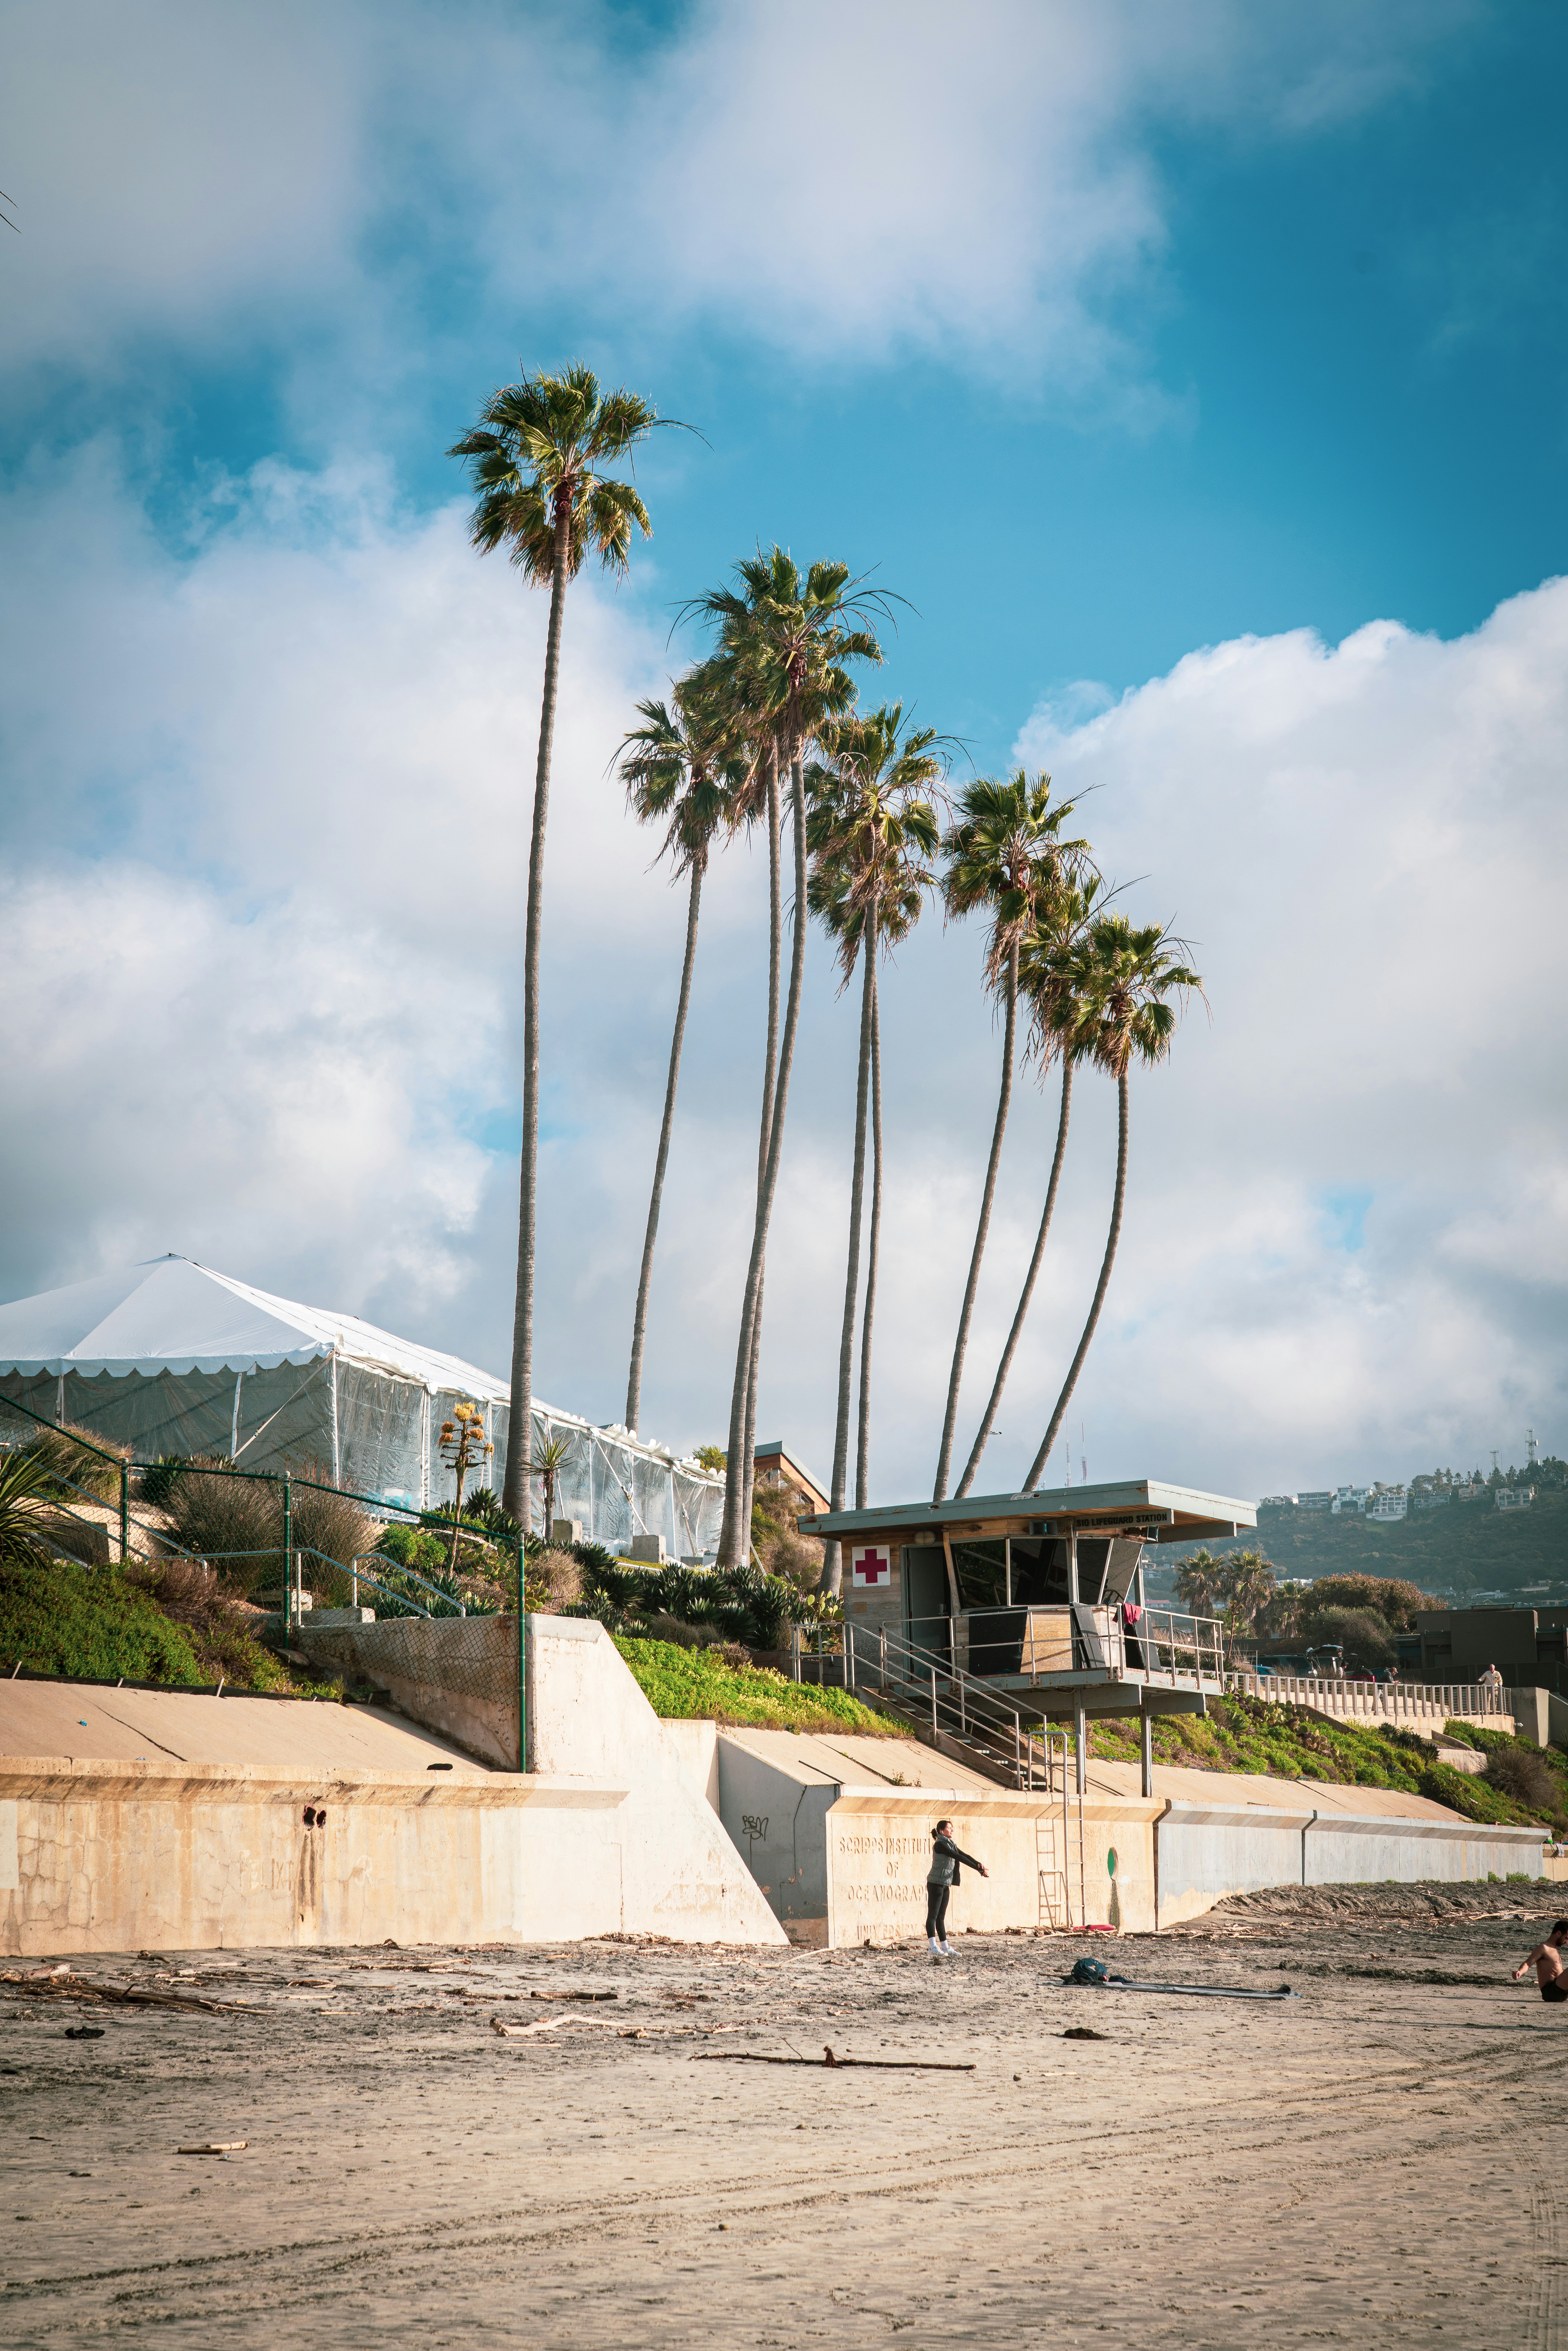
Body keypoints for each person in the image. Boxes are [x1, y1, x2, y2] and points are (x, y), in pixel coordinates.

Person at [925, 1818, 988, 1958]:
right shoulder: (940, 1845)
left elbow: (964, 1855)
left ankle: (946, 1948)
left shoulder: (951, 1844)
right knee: (933, 1916)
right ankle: (932, 1947)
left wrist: (979, 1865)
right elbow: (957, 1856)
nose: (952, 1830)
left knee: (941, 1917)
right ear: (942, 1831)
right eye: (949, 1828)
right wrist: (977, 1869)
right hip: (935, 1883)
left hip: (945, 1883)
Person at [1512, 1921, 1568, 2003]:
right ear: (1559, 1934)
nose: (1567, 1942)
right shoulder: (1543, 1948)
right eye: (1566, 1938)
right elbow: (1528, 1964)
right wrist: (1520, 1972)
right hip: (1551, 1992)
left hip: (1561, 1992)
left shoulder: (1554, 1949)